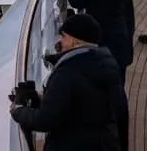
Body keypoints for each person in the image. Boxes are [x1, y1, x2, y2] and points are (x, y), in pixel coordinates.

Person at [9, 13, 122, 151]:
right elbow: (85, 102)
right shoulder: (106, 63)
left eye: (64, 37)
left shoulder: (67, 73)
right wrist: (43, 97)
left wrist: (18, 111)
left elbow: (45, 120)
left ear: (74, 41)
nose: (60, 42)